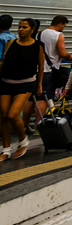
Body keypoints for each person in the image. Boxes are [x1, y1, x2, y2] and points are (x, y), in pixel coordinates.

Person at [0, 19, 44, 161]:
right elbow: (3, 61)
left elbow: (41, 67)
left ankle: (23, 140)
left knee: (13, 114)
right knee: (3, 115)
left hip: (26, 83)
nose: (20, 29)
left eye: (24, 27)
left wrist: (39, 85)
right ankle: (6, 149)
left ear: (32, 29)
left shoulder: (38, 46)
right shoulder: (11, 43)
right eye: (19, 27)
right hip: (6, 82)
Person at [39, 15, 71, 98]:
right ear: (60, 24)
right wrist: (71, 57)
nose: (63, 28)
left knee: (34, 97)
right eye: (64, 26)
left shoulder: (39, 33)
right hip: (49, 71)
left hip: (38, 69)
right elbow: (62, 54)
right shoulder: (58, 35)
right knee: (45, 98)